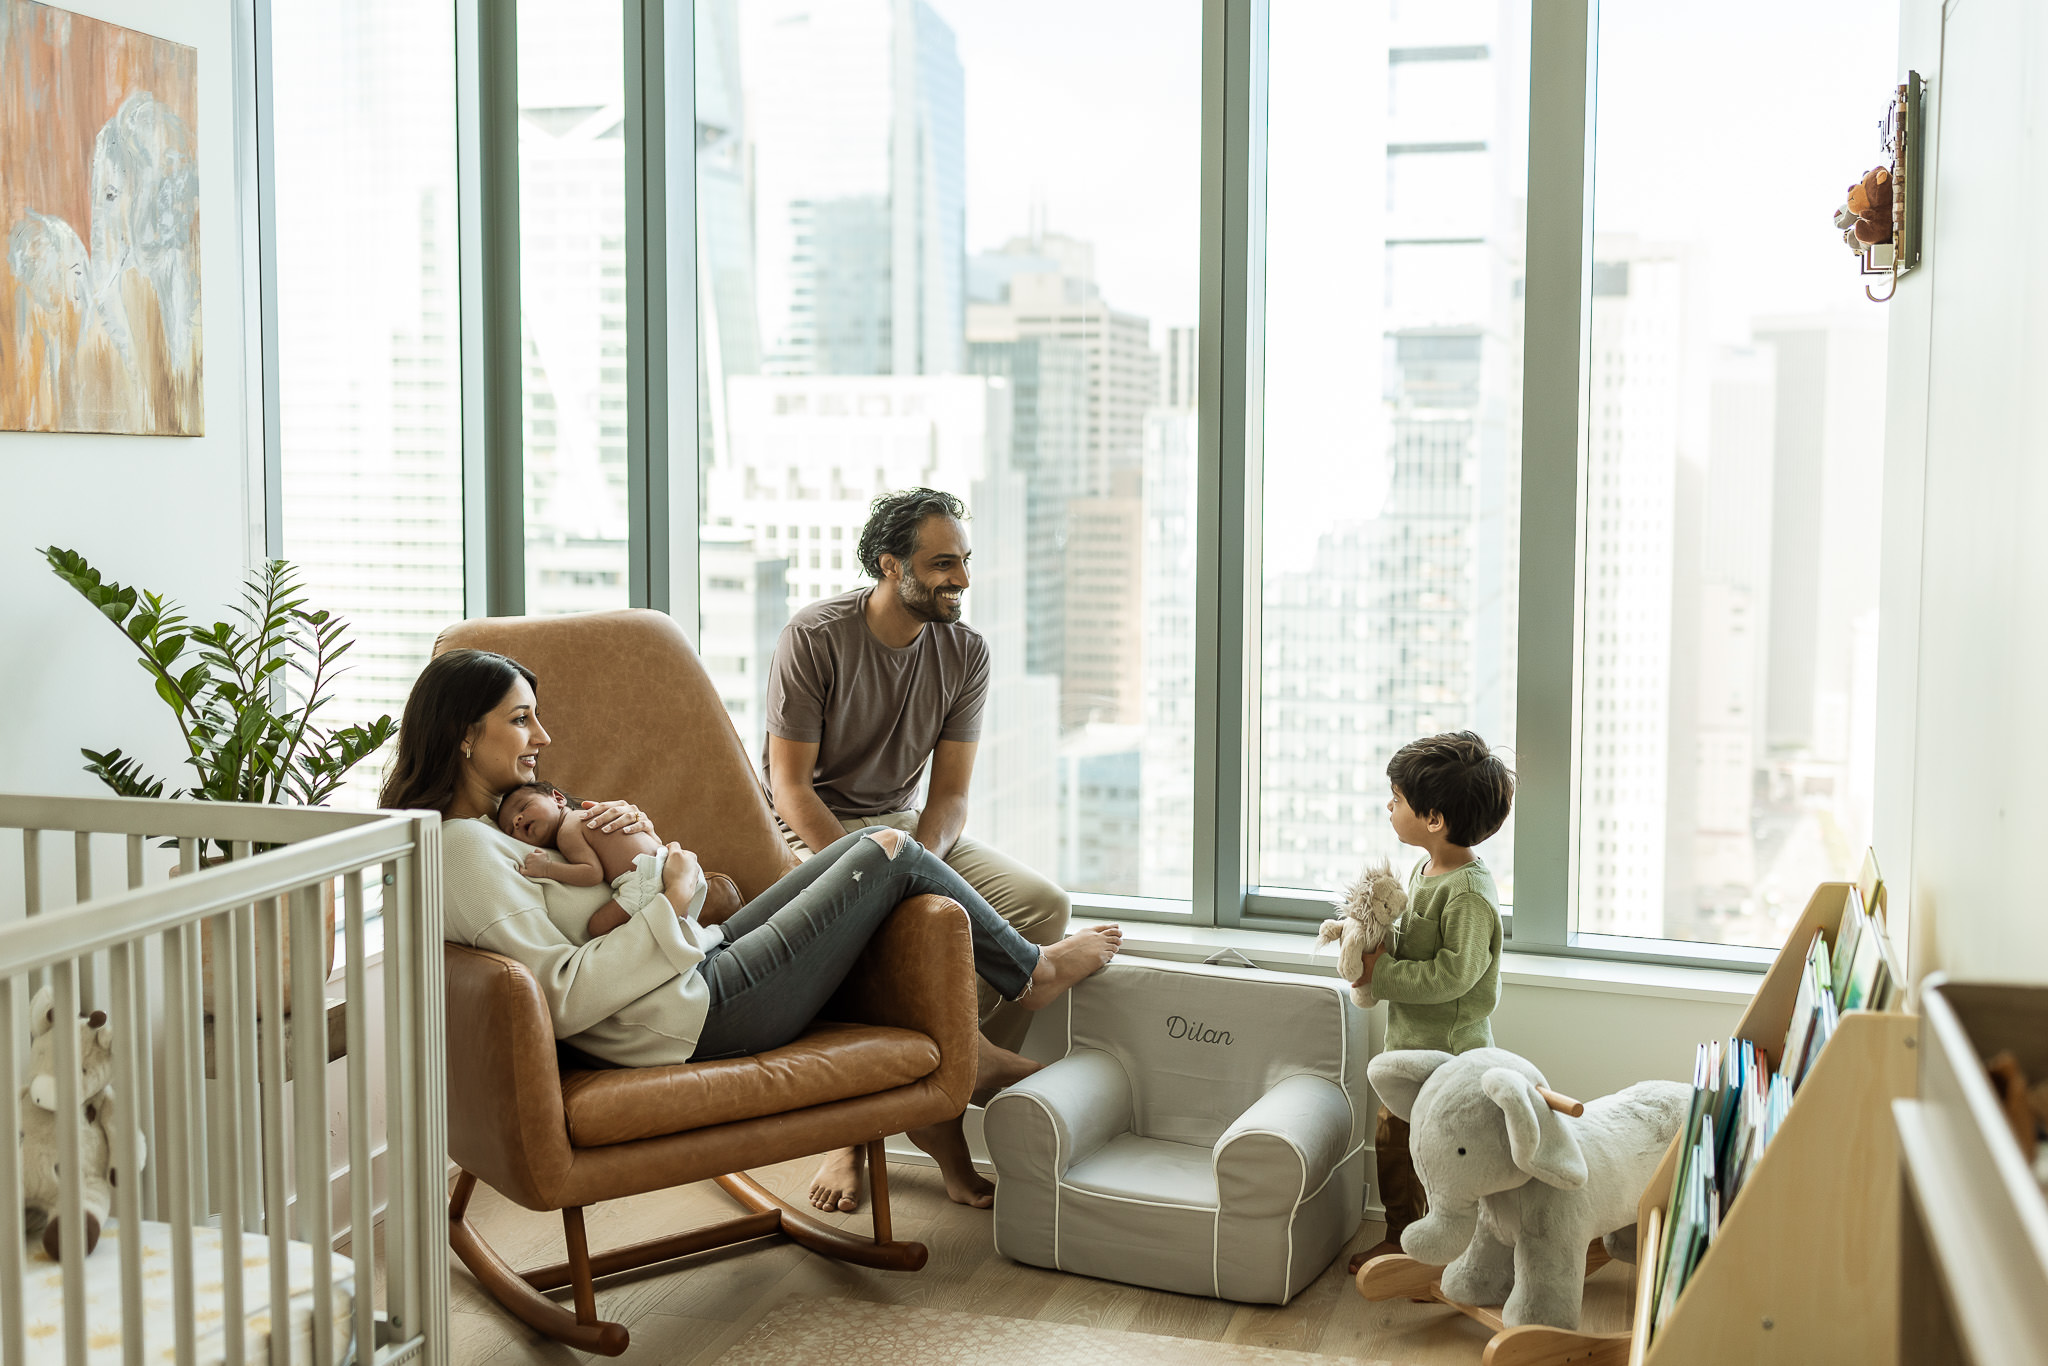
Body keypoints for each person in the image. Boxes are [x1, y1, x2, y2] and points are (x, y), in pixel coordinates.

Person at [385, 647, 1121, 1209]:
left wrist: (647, 853)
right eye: (520, 719)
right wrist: (672, 904)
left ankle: (982, 1045)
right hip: (690, 1016)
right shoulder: (466, 850)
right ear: (461, 734)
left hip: (694, 971)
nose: (542, 734)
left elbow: (640, 901)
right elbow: (562, 997)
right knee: (885, 852)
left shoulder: (500, 827)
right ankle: (1028, 977)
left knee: (875, 862)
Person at [763, 486, 1111, 1214]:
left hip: (905, 827)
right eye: (943, 563)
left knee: (1041, 904)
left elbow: (949, 797)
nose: (963, 579)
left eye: (966, 560)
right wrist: (875, 872)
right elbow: (789, 787)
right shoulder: (815, 637)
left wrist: (915, 861)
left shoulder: (965, 652)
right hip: (810, 834)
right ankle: (882, 1131)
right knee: (901, 925)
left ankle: (940, 1091)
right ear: (891, 566)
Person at [1346, 730, 1515, 1273]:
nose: (1389, 808)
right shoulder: (1423, 872)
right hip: (1410, 1048)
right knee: (1395, 1145)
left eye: (1397, 801)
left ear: (1434, 819)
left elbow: (1454, 975)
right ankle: (1402, 1233)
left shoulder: (1467, 893)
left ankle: (1452, 1243)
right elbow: (1414, 941)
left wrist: (1383, 972)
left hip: (1447, 1056)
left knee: (1442, 1153)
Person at [495, 780, 734, 940]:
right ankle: (695, 934)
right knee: (682, 930)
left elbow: (592, 873)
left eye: (524, 807)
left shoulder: (568, 830)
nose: (517, 820)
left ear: (558, 799)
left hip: (644, 877)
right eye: (509, 828)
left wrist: (547, 868)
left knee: (597, 927)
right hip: (664, 861)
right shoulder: (582, 819)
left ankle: (690, 936)